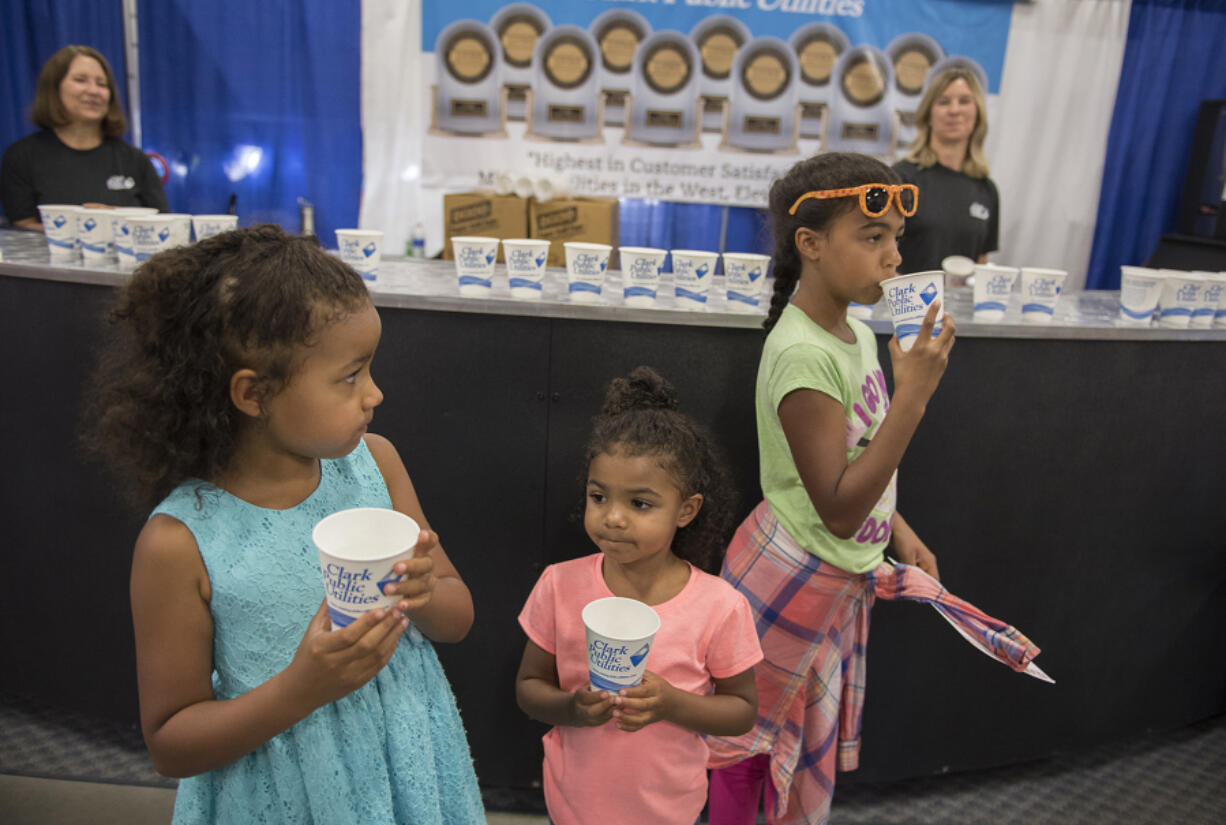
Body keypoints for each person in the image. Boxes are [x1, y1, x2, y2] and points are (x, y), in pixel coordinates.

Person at [83, 225, 484, 824]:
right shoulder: (180, 542)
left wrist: (424, 594)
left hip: (408, 762)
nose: (374, 393)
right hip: (282, 792)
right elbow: (170, 742)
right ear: (253, 394)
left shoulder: (376, 465)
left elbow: (456, 619)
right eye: (350, 376)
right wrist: (301, 689)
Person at [705, 152, 955, 825]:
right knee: (750, 748)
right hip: (790, 578)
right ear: (810, 245)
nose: (893, 257)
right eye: (873, 238)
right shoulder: (804, 354)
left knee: (799, 744)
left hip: (832, 586)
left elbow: (864, 452)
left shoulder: (851, 331)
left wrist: (902, 532)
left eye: (896, 239)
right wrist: (916, 396)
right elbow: (840, 508)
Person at [515, 366, 763, 825]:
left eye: (640, 504)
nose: (612, 518)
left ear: (685, 511)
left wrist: (671, 704)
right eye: (598, 497)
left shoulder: (720, 606)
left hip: (669, 811)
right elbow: (529, 689)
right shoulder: (558, 585)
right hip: (570, 808)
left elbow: (742, 712)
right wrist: (571, 707)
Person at [1, 45, 168, 229]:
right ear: (54, 89)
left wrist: (116, 222)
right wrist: (89, 230)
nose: (94, 91)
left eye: (102, 84)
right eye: (80, 80)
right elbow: (22, 228)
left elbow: (163, 225)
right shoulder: (21, 157)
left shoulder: (135, 160)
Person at [893, 66, 998, 272]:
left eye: (965, 101)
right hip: (905, 302)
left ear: (977, 114)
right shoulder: (902, 178)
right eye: (943, 101)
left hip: (959, 304)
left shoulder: (987, 189)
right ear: (928, 115)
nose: (954, 110)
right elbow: (876, 255)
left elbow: (980, 262)